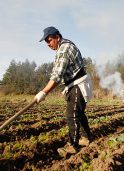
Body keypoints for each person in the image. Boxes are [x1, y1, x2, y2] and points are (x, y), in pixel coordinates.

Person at [34, 26, 93, 156]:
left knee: (71, 114)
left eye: (50, 40)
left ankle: (73, 145)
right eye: (46, 42)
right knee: (78, 113)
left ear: (57, 37)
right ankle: (87, 138)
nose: (48, 44)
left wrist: (44, 92)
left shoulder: (64, 49)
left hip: (78, 84)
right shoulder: (63, 47)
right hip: (75, 84)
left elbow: (57, 75)